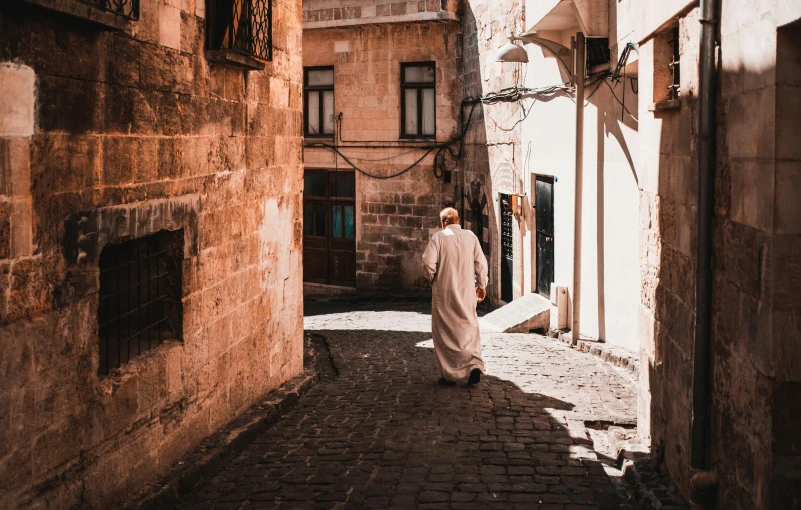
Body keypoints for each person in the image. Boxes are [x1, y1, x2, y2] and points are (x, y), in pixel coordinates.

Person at [422, 207, 489, 386]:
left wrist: (432, 278)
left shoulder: (438, 238)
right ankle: (474, 364)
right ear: (458, 220)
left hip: (444, 293)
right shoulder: (471, 236)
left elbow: (428, 263)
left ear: (443, 222)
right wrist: (482, 285)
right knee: (469, 327)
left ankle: (449, 374)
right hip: (467, 292)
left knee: (445, 332)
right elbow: (481, 264)